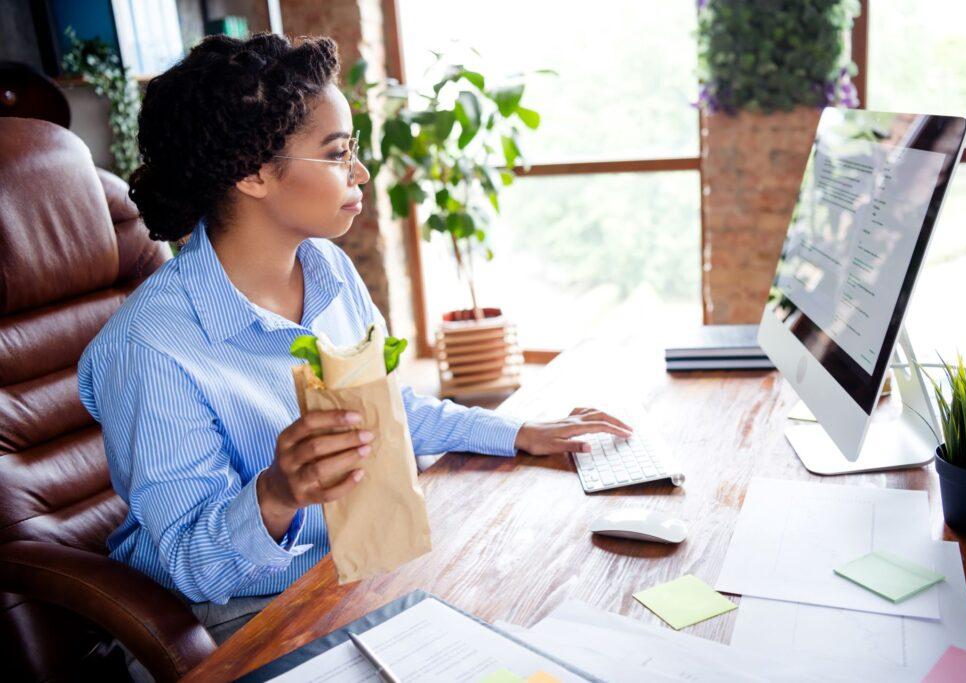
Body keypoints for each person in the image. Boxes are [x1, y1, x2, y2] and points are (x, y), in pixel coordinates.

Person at [76, 32, 633, 672]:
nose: (360, 172)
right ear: (254, 172)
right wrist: (278, 494)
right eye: (338, 153)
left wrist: (518, 432)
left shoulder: (327, 268)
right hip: (233, 618)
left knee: (545, 599)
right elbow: (189, 566)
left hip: (350, 570)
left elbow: (387, 414)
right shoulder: (149, 349)